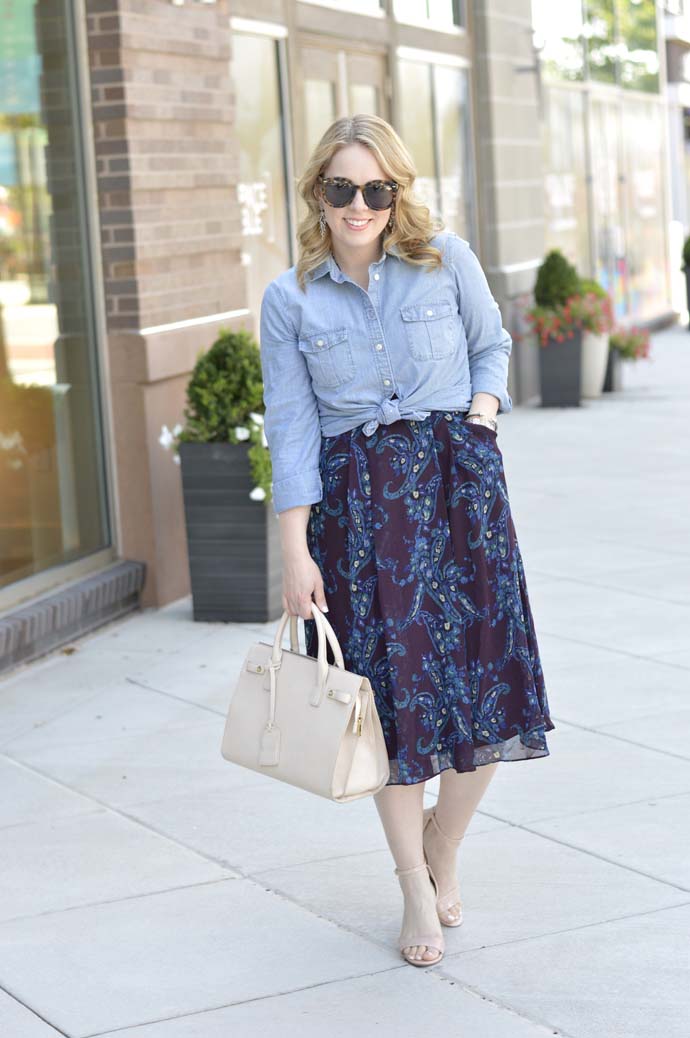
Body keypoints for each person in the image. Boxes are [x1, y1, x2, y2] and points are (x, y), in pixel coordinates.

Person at [259, 114, 555, 968]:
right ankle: (413, 887)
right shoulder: (290, 299)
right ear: (318, 192)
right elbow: (291, 431)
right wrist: (295, 551)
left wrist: (481, 421)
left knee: (490, 686)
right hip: (360, 517)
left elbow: (492, 346)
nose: (359, 205)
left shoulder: (446, 260)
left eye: (376, 189)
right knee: (391, 707)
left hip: (460, 495)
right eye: (342, 188)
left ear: (398, 193)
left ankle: (445, 843)